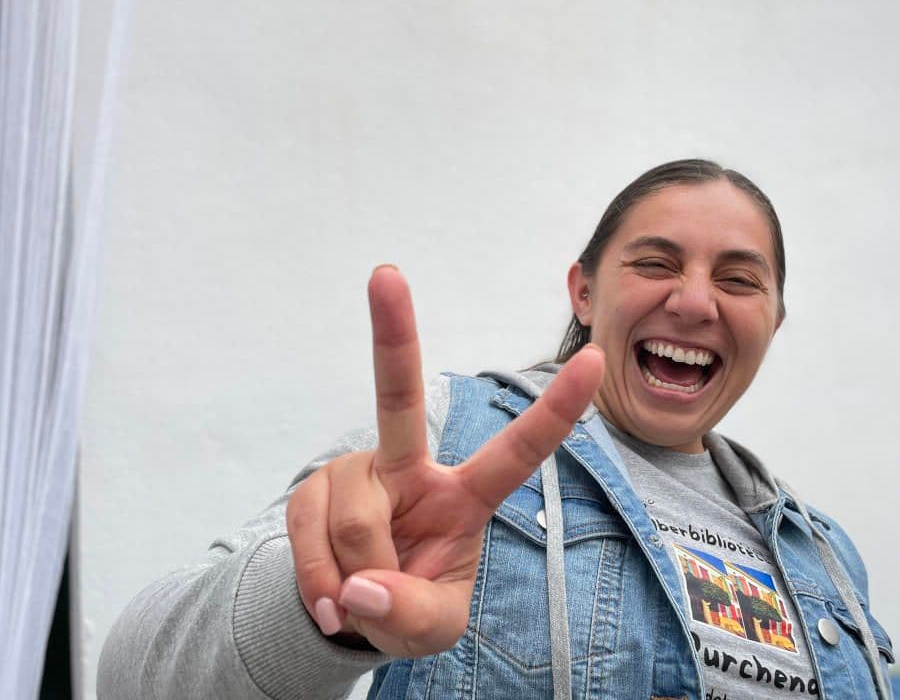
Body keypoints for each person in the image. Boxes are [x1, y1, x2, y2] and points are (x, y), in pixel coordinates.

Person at [98, 159, 895, 700]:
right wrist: (325, 600)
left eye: (738, 279)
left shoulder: (824, 556)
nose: (694, 301)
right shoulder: (455, 443)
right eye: (655, 263)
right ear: (584, 292)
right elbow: (135, 672)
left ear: (774, 320)